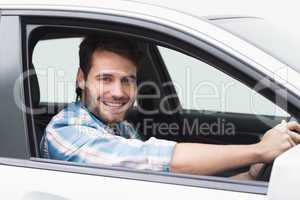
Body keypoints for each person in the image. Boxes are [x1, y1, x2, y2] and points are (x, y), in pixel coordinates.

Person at [40, 35, 300, 180]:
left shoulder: (122, 128)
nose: (118, 92)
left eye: (127, 80)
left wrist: (252, 174)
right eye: (105, 79)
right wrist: (258, 150)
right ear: (81, 78)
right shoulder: (66, 133)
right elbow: (159, 160)